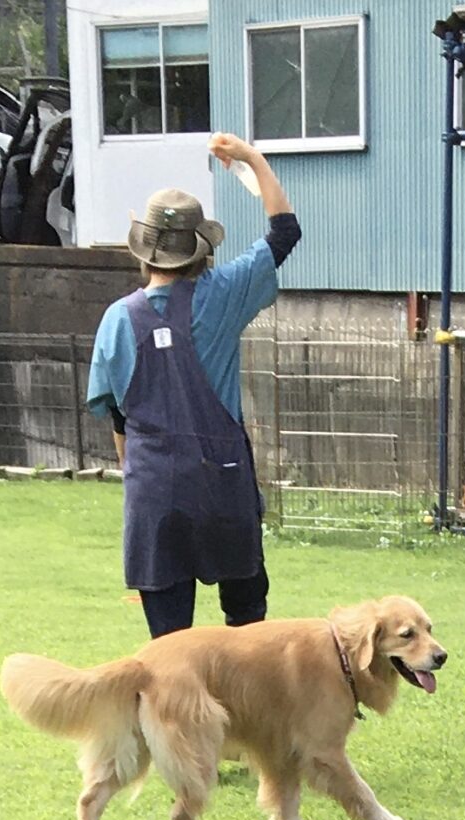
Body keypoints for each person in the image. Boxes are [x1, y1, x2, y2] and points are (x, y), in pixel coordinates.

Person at [86, 134, 300, 638]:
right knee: (247, 632)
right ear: (200, 249)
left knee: (170, 646)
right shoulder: (222, 294)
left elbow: (118, 417)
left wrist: (139, 474)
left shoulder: (116, 319)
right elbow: (284, 232)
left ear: (144, 250)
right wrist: (252, 159)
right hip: (222, 485)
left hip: (154, 493)